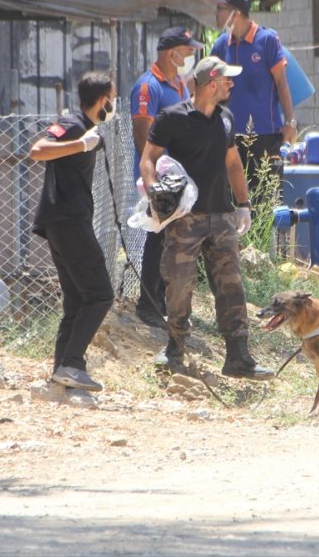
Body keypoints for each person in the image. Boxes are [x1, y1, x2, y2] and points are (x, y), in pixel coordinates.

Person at [140, 56, 275, 380]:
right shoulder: (172, 118)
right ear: (210, 82)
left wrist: (243, 204)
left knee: (231, 288)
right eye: (227, 79)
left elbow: (233, 164)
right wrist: (153, 193)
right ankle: (174, 351)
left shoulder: (226, 119)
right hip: (185, 221)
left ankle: (238, 358)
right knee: (179, 286)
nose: (231, 84)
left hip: (222, 218)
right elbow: (148, 159)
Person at [29, 71, 117, 393]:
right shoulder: (73, 124)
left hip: (63, 220)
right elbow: (38, 150)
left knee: (77, 300)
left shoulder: (87, 127)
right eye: (113, 97)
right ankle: (73, 364)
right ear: (103, 99)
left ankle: (61, 374)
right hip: (67, 220)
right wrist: (81, 144)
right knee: (100, 294)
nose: (114, 104)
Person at [130, 27, 203, 328]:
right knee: (157, 238)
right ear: (171, 52)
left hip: (179, 177)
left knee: (173, 241)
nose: (190, 55)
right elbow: (142, 137)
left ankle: (160, 301)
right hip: (161, 178)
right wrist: (157, 181)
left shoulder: (179, 85)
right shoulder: (148, 87)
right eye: (187, 51)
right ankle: (147, 304)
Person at [210, 0, 296, 194]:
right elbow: (208, 83)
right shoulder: (222, 44)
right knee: (233, 203)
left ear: (236, 13)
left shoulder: (267, 40)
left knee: (265, 202)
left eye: (222, 8)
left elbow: (282, 84)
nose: (217, 13)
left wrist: (290, 122)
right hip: (230, 138)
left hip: (265, 136)